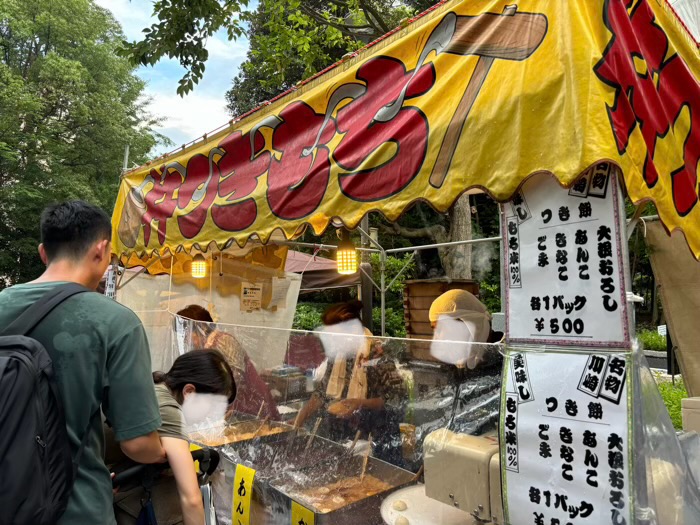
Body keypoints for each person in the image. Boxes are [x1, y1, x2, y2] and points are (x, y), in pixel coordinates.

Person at [0, 201, 165, 525]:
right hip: (75, 511)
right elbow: (137, 444)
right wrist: (162, 452)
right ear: (101, 250)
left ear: (43, 253)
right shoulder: (116, 322)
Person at [113, 349, 236, 525]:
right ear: (189, 392)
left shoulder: (156, 387)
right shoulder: (171, 412)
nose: (211, 416)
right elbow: (191, 499)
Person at [297, 300, 406, 466]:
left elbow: (397, 400)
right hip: (342, 437)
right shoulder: (338, 355)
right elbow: (321, 392)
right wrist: (300, 419)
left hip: (375, 441)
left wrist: (360, 404)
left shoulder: (376, 355)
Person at [175, 305, 280, 420]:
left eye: (186, 333)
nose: (185, 339)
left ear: (202, 327)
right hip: (231, 408)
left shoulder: (223, 341)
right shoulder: (203, 349)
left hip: (251, 407)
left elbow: (236, 379)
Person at [427, 289, 503, 436]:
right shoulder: (456, 365)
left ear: (470, 325)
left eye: (443, 329)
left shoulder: (505, 358)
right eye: (435, 331)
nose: (439, 338)